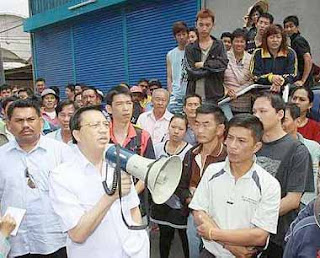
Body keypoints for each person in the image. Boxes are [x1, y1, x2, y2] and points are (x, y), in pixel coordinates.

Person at [49, 105, 149, 258]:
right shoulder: (61, 176)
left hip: (132, 252)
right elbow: (77, 234)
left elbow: (133, 208)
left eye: (105, 124)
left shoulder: (117, 162)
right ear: (77, 134)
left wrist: (138, 242)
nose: (103, 130)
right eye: (95, 125)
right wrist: (110, 197)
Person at [189, 114, 281, 258]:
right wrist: (229, 245)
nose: (232, 146)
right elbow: (199, 210)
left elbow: (259, 236)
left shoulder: (268, 184)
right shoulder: (212, 171)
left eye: (241, 141)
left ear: (256, 146)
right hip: (210, 253)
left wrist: (213, 234)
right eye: (230, 138)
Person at [0, 98, 74, 257]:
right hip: (15, 243)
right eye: (19, 120)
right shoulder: (1, 157)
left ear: (41, 122)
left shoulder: (61, 152)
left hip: (55, 240)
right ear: (8, 126)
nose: (25, 125)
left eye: (31, 119)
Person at [252, 93, 314, 257]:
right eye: (254, 111)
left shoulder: (297, 150)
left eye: (263, 111)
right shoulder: (250, 143)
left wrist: (254, 217)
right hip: (244, 229)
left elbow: (293, 200)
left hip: (276, 235)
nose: (257, 116)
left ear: (280, 114)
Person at [176, 103, 227, 258]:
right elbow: (181, 186)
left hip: (220, 221)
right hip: (193, 218)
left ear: (219, 129)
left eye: (206, 125)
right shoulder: (191, 154)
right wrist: (191, 201)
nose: (200, 130)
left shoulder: (228, 158)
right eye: (197, 124)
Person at [105, 86, 155, 206]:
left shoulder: (143, 136)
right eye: (119, 104)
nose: (126, 108)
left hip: (136, 203)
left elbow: (149, 171)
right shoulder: (101, 135)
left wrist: (131, 195)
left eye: (129, 103)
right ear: (109, 109)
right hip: (106, 203)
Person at [151, 114, 192, 258]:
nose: (176, 131)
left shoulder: (190, 152)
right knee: (164, 237)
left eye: (180, 128)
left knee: (185, 238)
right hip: (160, 202)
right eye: (173, 127)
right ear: (168, 127)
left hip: (180, 204)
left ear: (186, 131)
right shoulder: (156, 148)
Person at [185, 8, 228, 104]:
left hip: (214, 96)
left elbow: (223, 66)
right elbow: (191, 72)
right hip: (194, 96)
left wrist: (204, 64)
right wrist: (212, 70)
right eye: (201, 25)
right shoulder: (190, 48)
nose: (204, 28)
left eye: (207, 25)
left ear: (213, 25)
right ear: (196, 25)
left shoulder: (219, 45)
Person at [282, 102, 320, 206]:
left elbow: (314, 183)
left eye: (284, 120)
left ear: (297, 121)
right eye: (278, 120)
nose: (280, 124)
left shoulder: (313, 148)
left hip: (305, 207)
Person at [250, 24, 298, 93]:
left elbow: (293, 74)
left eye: (278, 37)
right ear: (266, 39)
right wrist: (271, 78)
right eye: (272, 37)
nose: (275, 40)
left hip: (285, 92)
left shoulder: (290, 53)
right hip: (261, 92)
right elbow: (255, 75)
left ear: (282, 39)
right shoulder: (258, 53)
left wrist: (280, 81)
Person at [224, 28, 253, 115]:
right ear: (232, 42)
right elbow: (218, 78)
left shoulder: (251, 59)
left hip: (245, 103)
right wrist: (226, 91)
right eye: (236, 41)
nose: (239, 44)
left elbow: (252, 80)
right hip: (226, 102)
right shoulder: (223, 57)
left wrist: (238, 92)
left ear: (245, 43)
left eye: (242, 41)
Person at [284, 15, 313, 88]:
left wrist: (303, 80)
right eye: (286, 27)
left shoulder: (298, 40)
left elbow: (308, 59)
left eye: (291, 26)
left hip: (304, 82)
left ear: (297, 27)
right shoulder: (294, 40)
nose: (289, 29)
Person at [167, 21, 189, 114]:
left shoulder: (193, 51)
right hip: (176, 95)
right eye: (179, 35)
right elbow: (169, 76)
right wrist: (170, 93)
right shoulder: (170, 54)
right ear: (174, 37)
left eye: (184, 34)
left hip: (190, 94)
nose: (182, 37)